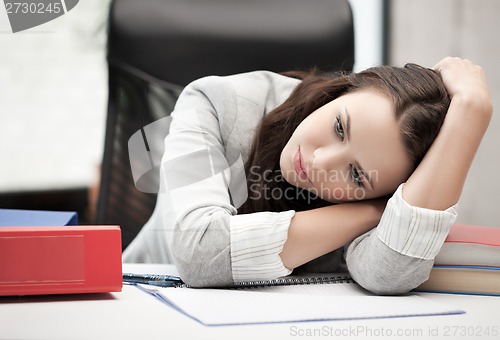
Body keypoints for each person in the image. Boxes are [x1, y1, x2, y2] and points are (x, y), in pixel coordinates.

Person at [123, 57, 492, 295]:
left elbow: (387, 275)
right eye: (339, 127)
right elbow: (199, 251)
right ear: (341, 89)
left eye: (355, 175)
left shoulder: (385, 182)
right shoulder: (216, 102)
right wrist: (375, 210)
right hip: (141, 296)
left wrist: (470, 118)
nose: (319, 162)